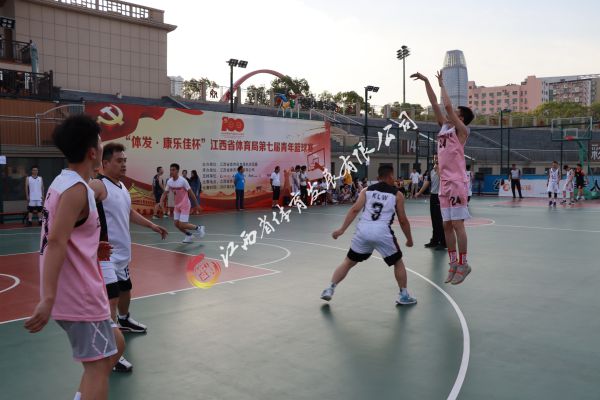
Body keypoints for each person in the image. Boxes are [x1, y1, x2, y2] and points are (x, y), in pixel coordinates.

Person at [24, 114, 124, 400]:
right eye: (100, 142)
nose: (102, 146)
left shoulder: (62, 182)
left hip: (79, 290)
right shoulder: (77, 190)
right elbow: (56, 242)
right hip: (79, 295)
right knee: (98, 367)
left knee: (116, 344)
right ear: (93, 152)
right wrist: (47, 297)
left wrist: (92, 248)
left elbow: (67, 234)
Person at [89, 143, 168, 372]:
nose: (124, 164)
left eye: (125, 160)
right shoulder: (98, 185)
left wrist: (152, 225)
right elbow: (80, 203)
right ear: (105, 163)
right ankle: (110, 352)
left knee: (126, 290)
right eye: (118, 161)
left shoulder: (122, 186)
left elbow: (129, 212)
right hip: (106, 256)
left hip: (123, 254)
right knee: (111, 300)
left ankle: (124, 320)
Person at [320, 164, 416, 305]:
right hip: (382, 232)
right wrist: (409, 239)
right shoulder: (397, 195)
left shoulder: (367, 190)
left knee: (348, 262)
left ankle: (330, 288)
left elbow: (354, 209)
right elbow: (403, 220)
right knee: (397, 262)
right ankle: (404, 295)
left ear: (378, 177)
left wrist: (341, 230)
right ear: (390, 176)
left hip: (363, 231)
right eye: (393, 176)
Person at [412, 70, 475, 285]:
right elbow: (435, 104)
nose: (451, 112)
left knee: (457, 225)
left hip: (457, 183)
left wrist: (442, 85)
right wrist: (427, 82)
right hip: (444, 184)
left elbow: (447, 106)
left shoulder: (462, 131)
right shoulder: (444, 128)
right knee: (446, 225)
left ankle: (464, 264)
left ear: (461, 118)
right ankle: (453, 263)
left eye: (456, 112)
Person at [159, 163, 204, 243]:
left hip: (185, 204)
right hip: (177, 205)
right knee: (176, 224)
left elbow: (191, 193)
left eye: (173, 170)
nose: (171, 171)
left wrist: (197, 205)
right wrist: (160, 202)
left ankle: (199, 228)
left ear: (177, 171)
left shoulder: (183, 181)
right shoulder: (169, 182)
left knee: (182, 224)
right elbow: (165, 193)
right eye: (170, 170)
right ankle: (189, 235)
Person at [416, 156, 446, 250]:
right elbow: (427, 182)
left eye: (437, 158)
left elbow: (444, 180)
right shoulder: (432, 171)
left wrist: (438, 170)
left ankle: (443, 242)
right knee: (434, 219)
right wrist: (419, 192)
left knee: (439, 220)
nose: (436, 159)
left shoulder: (444, 170)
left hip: (440, 196)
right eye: (435, 158)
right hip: (433, 196)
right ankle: (434, 240)